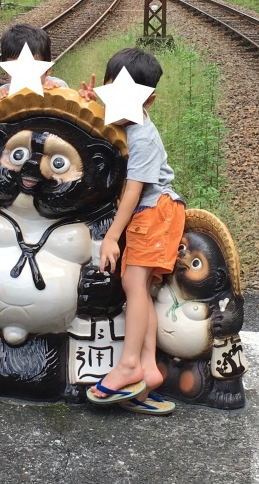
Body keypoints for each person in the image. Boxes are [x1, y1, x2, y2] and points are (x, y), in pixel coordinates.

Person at [81, 47, 185, 415]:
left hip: (154, 212)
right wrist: (90, 101)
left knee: (133, 286)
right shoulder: (124, 118)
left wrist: (112, 237)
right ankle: (148, 368)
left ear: (149, 101)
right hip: (153, 213)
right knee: (139, 287)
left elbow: (134, 190)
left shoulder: (142, 136)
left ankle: (128, 365)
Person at [0, 23, 67, 99]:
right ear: (6, 72)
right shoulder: (5, 91)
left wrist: (57, 90)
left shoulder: (57, 84)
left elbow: (68, 98)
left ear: (48, 70)